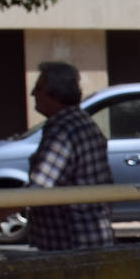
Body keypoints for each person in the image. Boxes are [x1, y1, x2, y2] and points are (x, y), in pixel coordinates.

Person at [26, 61, 114, 251]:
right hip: (91, 238)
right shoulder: (82, 121)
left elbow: (39, 188)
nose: (33, 94)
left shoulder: (63, 129)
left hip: (71, 242)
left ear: (55, 94)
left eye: (38, 88)